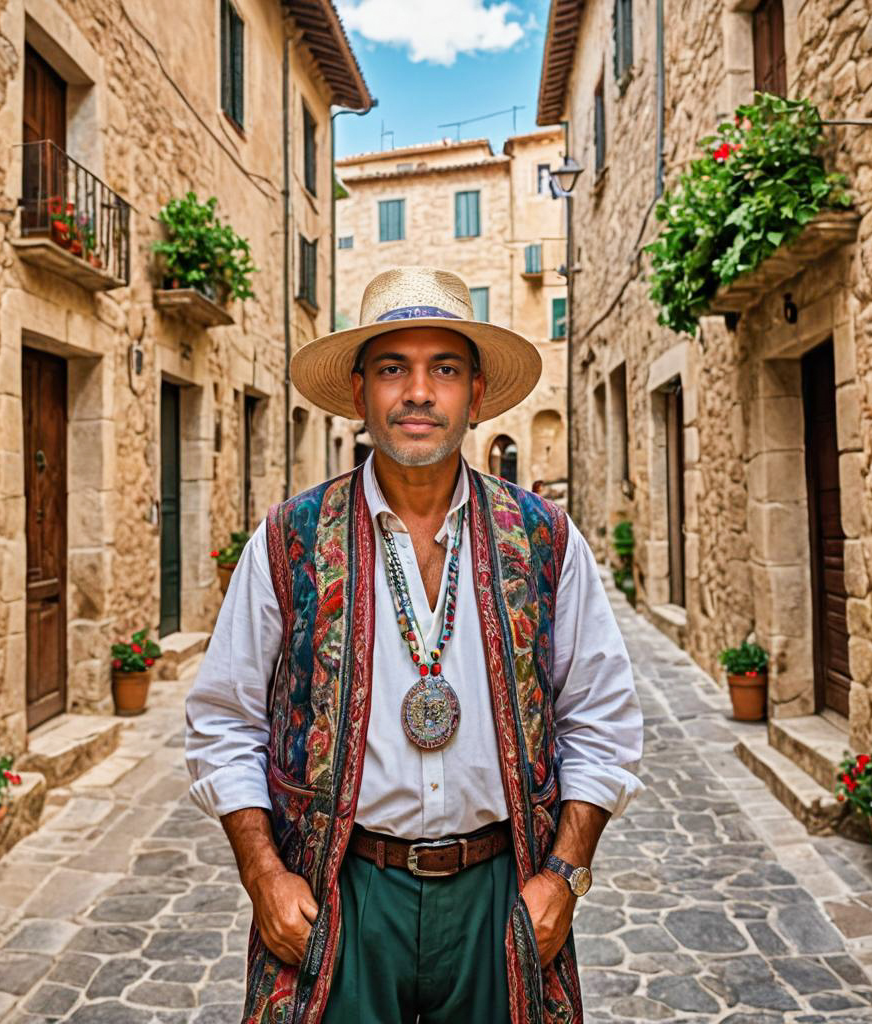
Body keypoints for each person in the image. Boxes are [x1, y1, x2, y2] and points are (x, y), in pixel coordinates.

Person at [185, 266, 644, 1023]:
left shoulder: (545, 539)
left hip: (501, 894)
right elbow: (224, 719)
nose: (420, 392)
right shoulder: (289, 541)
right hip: (343, 894)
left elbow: (602, 717)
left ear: (478, 394)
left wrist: (565, 874)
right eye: (394, 368)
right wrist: (264, 873)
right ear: (361, 392)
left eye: (445, 369)